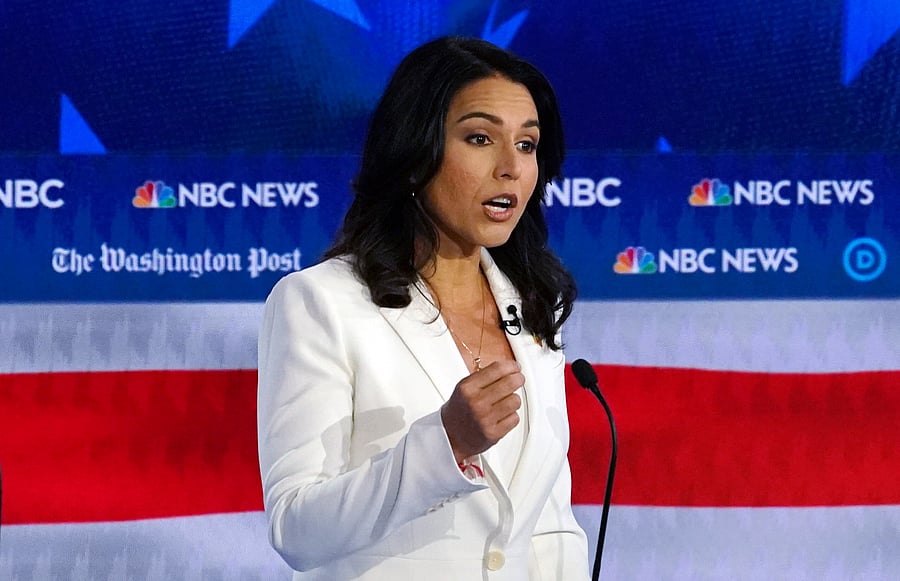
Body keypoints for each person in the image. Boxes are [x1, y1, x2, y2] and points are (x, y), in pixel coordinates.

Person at [257, 36, 589, 580]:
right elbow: (297, 529)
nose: (511, 167)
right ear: (414, 154)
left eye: (527, 145)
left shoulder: (529, 308)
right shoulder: (320, 303)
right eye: (480, 138)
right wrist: (447, 444)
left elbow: (549, 522)